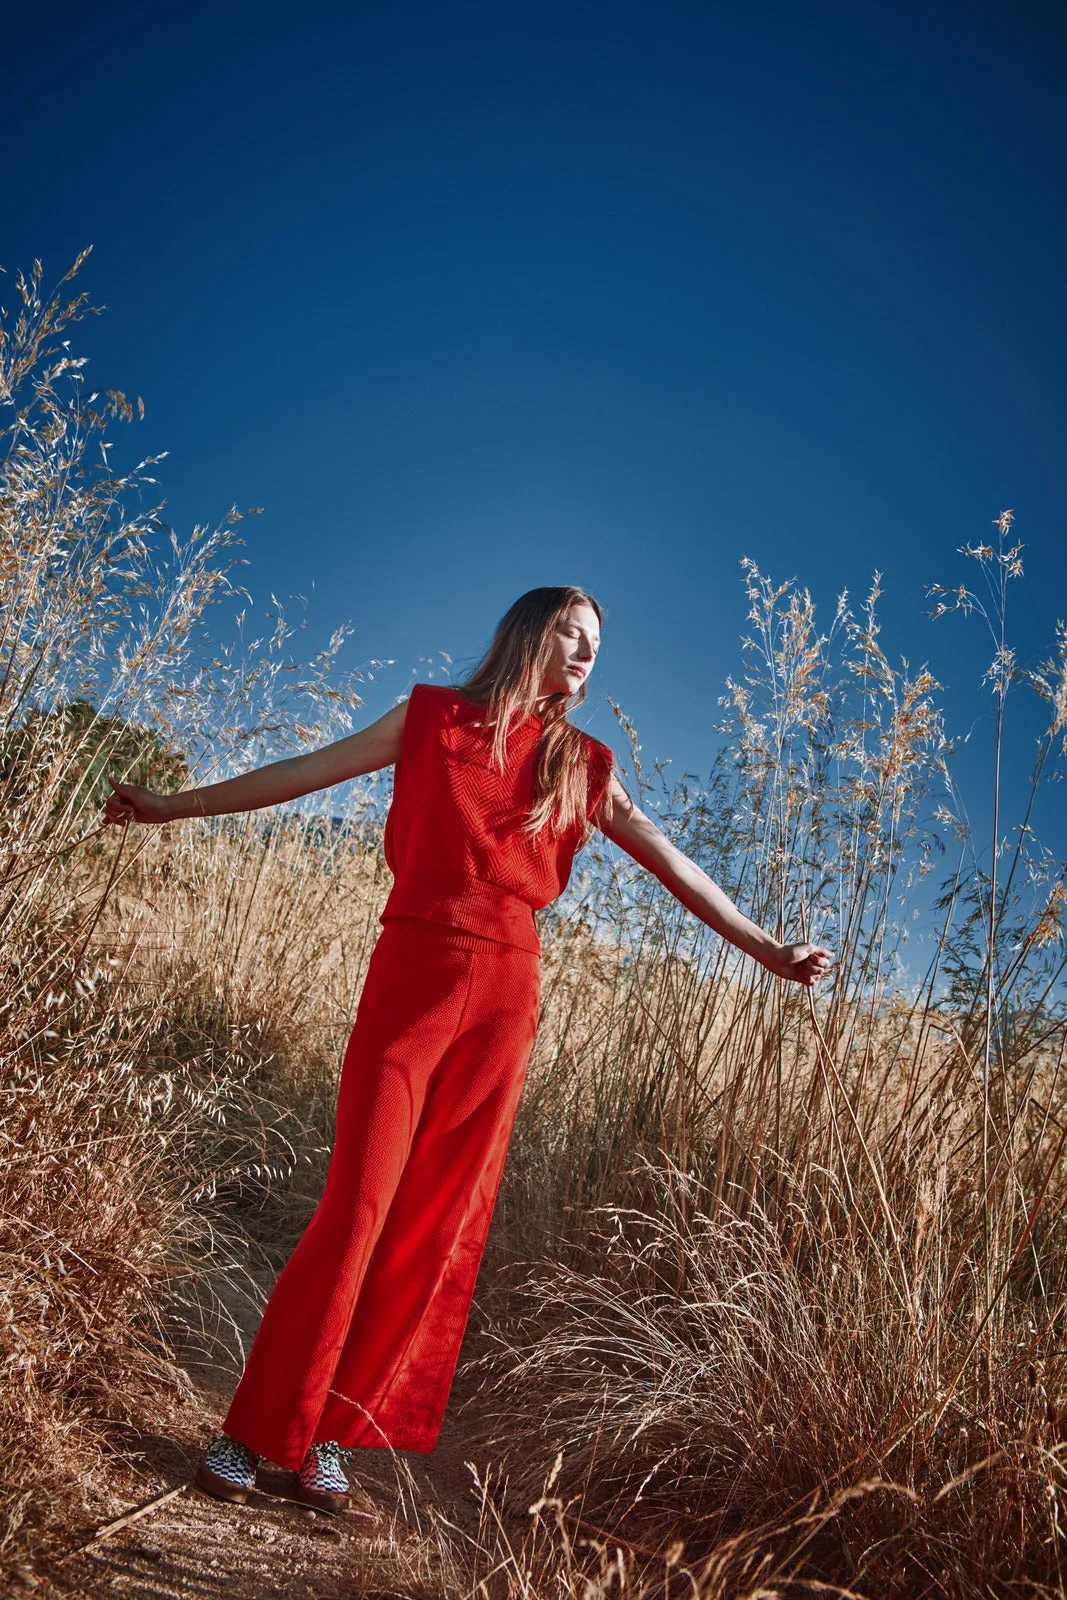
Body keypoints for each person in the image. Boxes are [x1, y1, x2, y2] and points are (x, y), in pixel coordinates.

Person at [103, 585, 833, 1519]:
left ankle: (334, 1437)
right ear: (528, 632)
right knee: (358, 1206)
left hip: (505, 996)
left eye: (596, 644)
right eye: (571, 633)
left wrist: (764, 946)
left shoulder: (582, 761)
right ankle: (252, 1431)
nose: (584, 653)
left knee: (432, 1221)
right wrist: (172, 807)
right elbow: (301, 771)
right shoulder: (428, 717)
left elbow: (667, 855)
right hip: (411, 973)